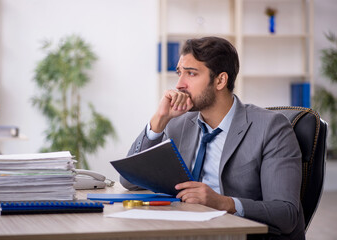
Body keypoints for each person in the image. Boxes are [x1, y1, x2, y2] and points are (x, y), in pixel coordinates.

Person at [120, 37, 304, 240]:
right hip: (186, 228)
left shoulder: (270, 128)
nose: (179, 85)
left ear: (220, 80)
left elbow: (286, 214)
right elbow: (130, 181)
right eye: (179, 73)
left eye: (191, 73)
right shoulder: (179, 123)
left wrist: (223, 202)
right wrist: (159, 120)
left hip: (239, 233)